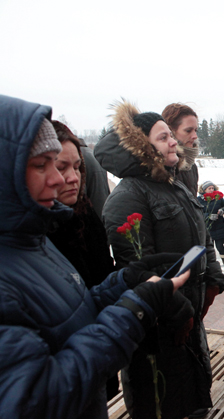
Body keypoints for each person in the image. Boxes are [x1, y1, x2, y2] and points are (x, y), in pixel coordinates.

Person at [0, 94, 190, 419]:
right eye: (42, 165)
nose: (61, 179)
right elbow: (34, 399)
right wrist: (132, 312)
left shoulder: (33, 239)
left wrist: (121, 283)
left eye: (70, 166)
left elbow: (68, 315)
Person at [95, 100, 224, 419]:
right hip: (160, 326)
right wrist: (179, 311)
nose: (173, 143)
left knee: (193, 396)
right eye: (163, 137)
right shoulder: (129, 196)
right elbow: (138, 268)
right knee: (162, 401)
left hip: (189, 318)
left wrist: (212, 277)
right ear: (143, 146)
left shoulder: (174, 185)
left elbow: (201, 237)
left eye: (171, 135)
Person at [46, 121, 119, 400]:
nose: (73, 177)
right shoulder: (35, 234)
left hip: (97, 349)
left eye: (77, 167)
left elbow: (97, 279)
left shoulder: (85, 213)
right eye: (61, 167)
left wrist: (125, 280)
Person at [162, 103, 200, 196]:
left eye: (195, 130)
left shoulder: (191, 166)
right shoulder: (161, 167)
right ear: (170, 131)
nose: (195, 136)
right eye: (188, 131)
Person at [198, 180, 224, 273]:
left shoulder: (218, 197)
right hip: (207, 228)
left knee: (220, 246)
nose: (212, 190)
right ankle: (211, 266)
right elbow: (198, 213)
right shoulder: (199, 200)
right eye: (209, 188)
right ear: (204, 190)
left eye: (213, 188)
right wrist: (208, 216)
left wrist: (222, 210)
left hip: (219, 226)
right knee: (209, 248)